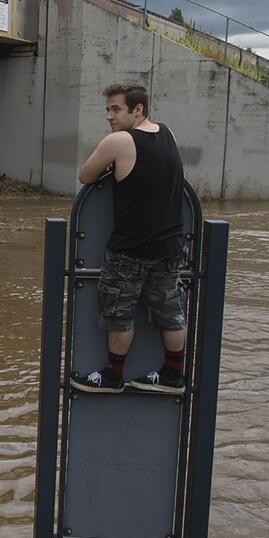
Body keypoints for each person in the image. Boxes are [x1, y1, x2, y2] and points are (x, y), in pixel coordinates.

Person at [69, 82, 187, 396]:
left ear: (138, 109)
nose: (109, 116)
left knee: (118, 313)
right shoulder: (168, 133)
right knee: (171, 312)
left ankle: (111, 377)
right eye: (107, 109)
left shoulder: (119, 141)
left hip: (130, 250)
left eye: (116, 109)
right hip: (171, 248)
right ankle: (173, 376)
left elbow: (85, 175)